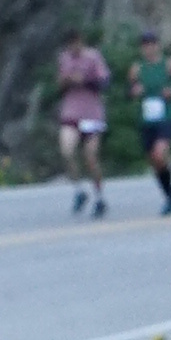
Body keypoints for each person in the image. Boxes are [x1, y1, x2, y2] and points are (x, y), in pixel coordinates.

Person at [127, 30, 171, 211]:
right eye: (145, 45)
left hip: (165, 117)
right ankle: (169, 195)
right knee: (155, 161)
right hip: (147, 120)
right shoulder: (137, 69)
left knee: (159, 154)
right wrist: (133, 92)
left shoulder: (169, 65)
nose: (149, 49)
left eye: (152, 45)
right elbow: (127, 92)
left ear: (158, 46)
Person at [55, 32, 111, 215]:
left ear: (80, 42)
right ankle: (79, 189)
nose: (73, 48)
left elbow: (105, 82)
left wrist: (85, 80)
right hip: (71, 113)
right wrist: (65, 81)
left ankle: (100, 196)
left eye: (75, 44)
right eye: (69, 45)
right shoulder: (64, 59)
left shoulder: (93, 57)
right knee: (66, 150)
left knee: (90, 157)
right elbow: (59, 87)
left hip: (91, 114)